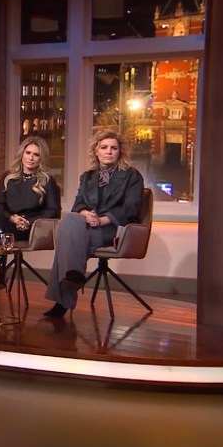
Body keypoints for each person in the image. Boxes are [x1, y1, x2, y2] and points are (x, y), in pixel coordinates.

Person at [44, 130, 143, 318]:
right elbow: (78, 204)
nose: (109, 152)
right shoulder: (88, 177)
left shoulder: (132, 176)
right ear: (96, 151)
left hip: (114, 229)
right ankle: (73, 277)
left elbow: (131, 208)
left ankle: (63, 299)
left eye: (113, 148)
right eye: (104, 147)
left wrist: (102, 220)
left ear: (120, 151)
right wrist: (86, 214)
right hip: (88, 225)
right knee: (70, 220)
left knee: (68, 240)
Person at [0, 136, 61, 307]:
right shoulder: (8, 177)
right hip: (6, 223)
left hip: (28, 229)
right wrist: (12, 217)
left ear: (41, 158)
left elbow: (53, 210)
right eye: (28, 153)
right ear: (22, 154)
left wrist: (28, 221)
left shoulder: (47, 181)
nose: (31, 158)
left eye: (36, 155)